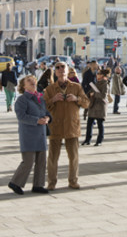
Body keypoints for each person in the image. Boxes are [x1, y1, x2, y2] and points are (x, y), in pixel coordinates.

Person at [43, 61, 89, 190]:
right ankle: (51, 183)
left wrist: (76, 99)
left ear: (68, 70)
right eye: (57, 67)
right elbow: (43, 106)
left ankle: (73, 181)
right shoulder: (50, 89)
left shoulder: (76, 87)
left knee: (73, 156)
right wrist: (53, 99)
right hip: (55, 126)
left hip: (71, 126)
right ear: (55, 72)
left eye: (63, 67)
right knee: (52, 158)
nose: (60, 69)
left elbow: (87, 103)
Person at [8, 75, 51, 195]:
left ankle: (38, 185)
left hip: (41, 134)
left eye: (34, 80)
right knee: (28, 161)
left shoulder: (40, 98)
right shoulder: (22, 99)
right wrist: (37, 120)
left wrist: (48, 117)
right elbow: (21, 116)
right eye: (29, 81)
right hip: (28, 134)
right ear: (23, 85)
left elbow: (46, 112)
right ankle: (15, 182)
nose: (32, 82)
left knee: (41, 161)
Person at [82, 68, 110, 147]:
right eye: (97, 74)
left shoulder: (105, 84)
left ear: (102, 76)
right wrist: (87, 95)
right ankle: (87, 140)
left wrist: (94, 94)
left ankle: (99, 141)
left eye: (99, 74)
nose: (97, 75)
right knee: (89, 124)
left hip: (100, 107)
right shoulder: (96, 83)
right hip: (93, 105)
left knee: (100, 124)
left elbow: (103, 96)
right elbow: (89, 92)